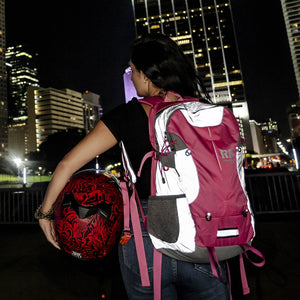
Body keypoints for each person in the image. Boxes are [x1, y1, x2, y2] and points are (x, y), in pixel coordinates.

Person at [37, 33, 230, 299]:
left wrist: (46, 214)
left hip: (146, 242)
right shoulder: (203, 111)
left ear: (147, 76)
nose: (132, 77)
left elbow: (67, 164)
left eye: (133, 70)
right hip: (205, 236)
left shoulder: (128, 114)